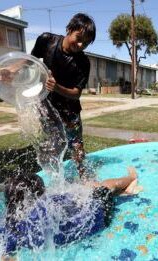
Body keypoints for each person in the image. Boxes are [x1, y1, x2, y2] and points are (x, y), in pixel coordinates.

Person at [1, 167, 142, 260]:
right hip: (99, 218)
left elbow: (5, 256)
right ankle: (130, 179)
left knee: (95, 189)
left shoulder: (8, 226)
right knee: (103, 186)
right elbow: (77, 199)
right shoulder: (50, 205)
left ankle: (122, 192)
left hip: (74, 236)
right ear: (41, 192)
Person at [31, 13, 96, 180]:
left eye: (86, 43)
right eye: (79, 38)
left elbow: (76, 93)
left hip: (70, 111)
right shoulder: (47, 40)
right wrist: (12, 69)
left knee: (77, 148)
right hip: (47, 107)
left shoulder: (83, 62)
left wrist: (56, 87)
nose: (81, 45)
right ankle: (56, 181)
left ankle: (85, 179)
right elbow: (30, 61)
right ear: (69, 29)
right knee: (54, 146)